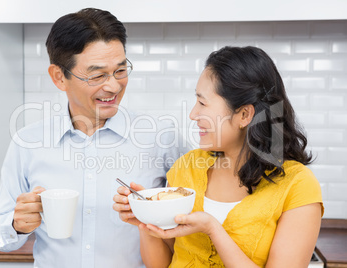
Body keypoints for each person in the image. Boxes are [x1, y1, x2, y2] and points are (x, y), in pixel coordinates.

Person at [0, 8, 188, 268]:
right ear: (59, 77)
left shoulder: (162, 138)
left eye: (120, 70)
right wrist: (16, 224)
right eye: (97, 75)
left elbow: (198, 215)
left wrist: (157, 211)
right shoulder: (28, 143)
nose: (113, 86)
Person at [114, 46, 324, 267]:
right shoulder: (187, 167)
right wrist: (147, 218)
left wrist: (212, 229)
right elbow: (162, 264)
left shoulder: (298, 185)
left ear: (244, 115)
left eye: (202, 103)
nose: (193, 114)